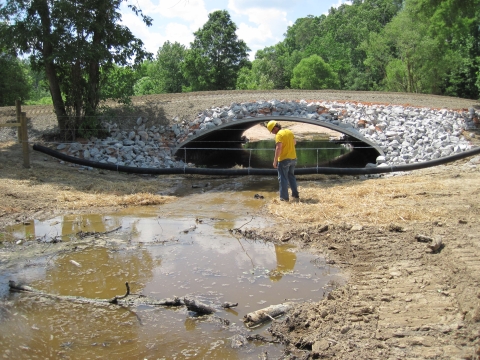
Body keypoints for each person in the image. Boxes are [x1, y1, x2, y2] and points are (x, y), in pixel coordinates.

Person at [267, 120, 299, 202]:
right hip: (293, 158)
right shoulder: (289, 131)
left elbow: (278, 148)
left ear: (275, 128)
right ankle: (295, 195)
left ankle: (284, 198)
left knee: (283, 178)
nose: (273, 133)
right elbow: (294, 143)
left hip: (284, 160)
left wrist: (275, 161)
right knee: (291, 176)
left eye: (272, 131)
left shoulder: (279, 135)